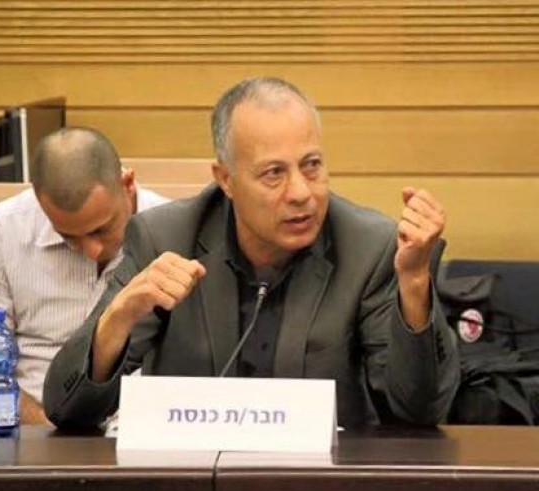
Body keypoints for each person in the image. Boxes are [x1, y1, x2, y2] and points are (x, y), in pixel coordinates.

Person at [44, 77, 459, 429]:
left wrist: (414, 282)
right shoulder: (165, 238)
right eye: (274, 173)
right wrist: (118, 317)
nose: (301, 193)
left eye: (312, 165)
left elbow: (420, 413)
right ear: (225, 179)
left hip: (320, 487)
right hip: (191, 486)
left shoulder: (368, 248)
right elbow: (67, 410)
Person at [0, 127, 168, 424]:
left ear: (127, 183)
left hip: (140, 426)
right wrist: (46, 431)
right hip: (31, 426)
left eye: (101, 229)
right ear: (39, 201)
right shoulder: (2, 230)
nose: (92, 251)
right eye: (68, 236)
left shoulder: (171, 230)